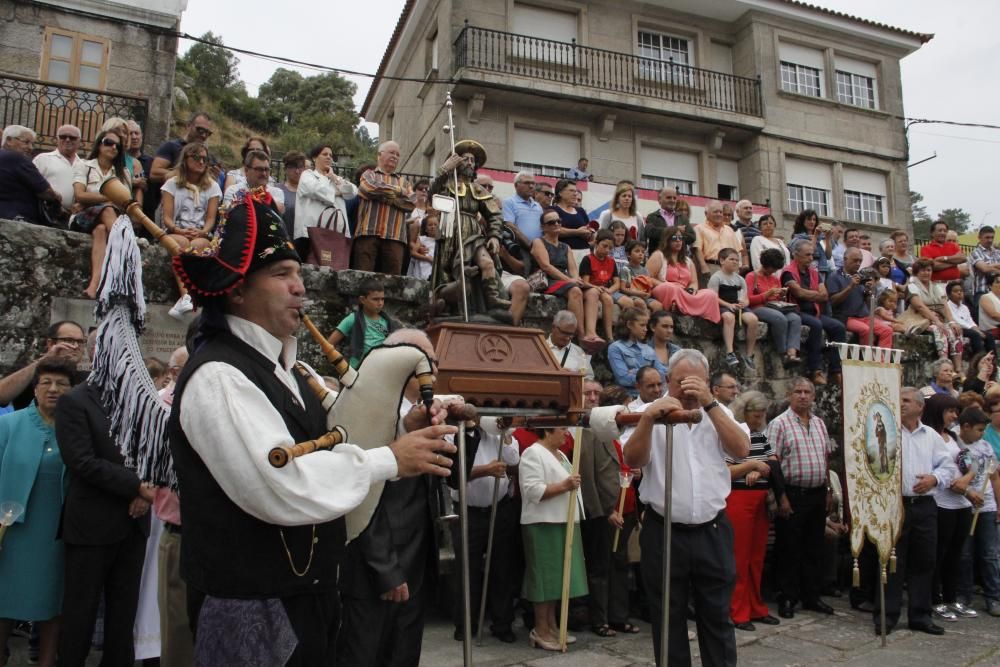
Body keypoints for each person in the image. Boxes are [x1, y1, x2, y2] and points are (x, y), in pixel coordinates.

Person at [167, 190, 459, 665]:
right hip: (252, 607)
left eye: (299, 273)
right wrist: (391, 459)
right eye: (282, 275)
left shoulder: (286, 369)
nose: (300, 287)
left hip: (308, 593)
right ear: (237, 290)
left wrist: (404, 425)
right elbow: (278, 483)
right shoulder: (219, 376)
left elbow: (333, 439)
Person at [339, 328, 477, 665]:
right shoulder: (367, 409)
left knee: (404, 652)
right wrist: (385, 569)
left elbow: (455, 475)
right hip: (377, 566)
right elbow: (363, 495)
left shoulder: (426, 410)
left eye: (435, 361)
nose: (435, 368)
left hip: (417, 557)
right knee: (367, 652)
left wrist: (466, 428)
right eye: (428, 360)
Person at [622, 349, 750, 667]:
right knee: (668, 617)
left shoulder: (718, 411)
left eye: (696, 382)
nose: (688, 390)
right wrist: (651, 418)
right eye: (681, 382)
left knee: (718, 616)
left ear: (707, 383)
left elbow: (741, 450)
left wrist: (709, 403)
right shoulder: (648, 412)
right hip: (664, 530)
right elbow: (632, 460)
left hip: (712, 529)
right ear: (668, 381)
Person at [55, 331, 153, 666]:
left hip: (134, 523)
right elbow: (81, 461)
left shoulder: (140, 401)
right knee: (80, 613)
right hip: (91, 526)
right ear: (96, 354)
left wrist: (147, 490)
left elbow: (153, 451)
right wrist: (135, 486)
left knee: (124, 615)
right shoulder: (75, 401)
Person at [0, 359, 76, 667]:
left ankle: (47, 662)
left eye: (62, 384)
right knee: (4, 601)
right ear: (34, 388)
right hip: (12, 532)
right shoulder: (8, 425)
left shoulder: (76, 428)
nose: (53, 389)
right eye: (46, 383)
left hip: (56, 532)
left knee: (52, 604)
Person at [874, 388, 959, 635]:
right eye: (899, 400)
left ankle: (920, 615)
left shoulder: (931, 436)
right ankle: (887, 615)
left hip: (924, 506)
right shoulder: (887, 431)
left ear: (920, 407)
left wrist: (934, 479)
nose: (901, 404)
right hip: (895, 505)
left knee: (924, 561)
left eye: (906, 400)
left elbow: (948, 467)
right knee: (892, 561)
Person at [767, 377, 836, 620]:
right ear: (789, 394)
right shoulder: (779, 424)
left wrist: (828, 489)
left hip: (816, 493)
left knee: (813, 546)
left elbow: (825, 458)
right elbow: (773, 462)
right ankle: (787, 596)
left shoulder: (819, 423)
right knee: (789, 547)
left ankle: (811, 595)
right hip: (792, 493)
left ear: (814, 397)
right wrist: (781, 497)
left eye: (808, 392)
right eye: (798, 391)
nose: (803, 396)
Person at [448, 414, 520, 643]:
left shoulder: (496, 432)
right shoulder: (454, 433)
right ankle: (466, 624)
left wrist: (505, 434)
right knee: (467, 570)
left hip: (499, 510)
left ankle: (502, 623)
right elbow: (453, 474)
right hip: (468, 512)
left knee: (503, 568)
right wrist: (485, 470)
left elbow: (514, 460)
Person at [518, 424, 587, 652]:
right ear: (547, 431)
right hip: (543, 522)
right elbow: (532, 490)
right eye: (561, 430)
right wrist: (565, 485)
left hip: (563, 521)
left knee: (558, 578)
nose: (566, 434)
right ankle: (540, 629)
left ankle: (553, 625)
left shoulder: (559, 455)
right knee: (545, 578)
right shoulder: (532, 453)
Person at [430, 141, 511, 315]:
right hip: (450, 231)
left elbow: (495, 214)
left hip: (473, 234)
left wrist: (495, 236)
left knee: (487, 262)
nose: (469, 163)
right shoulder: (446, 184)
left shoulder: (479, 189)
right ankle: (449, 306)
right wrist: (444, 169)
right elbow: (432, 195)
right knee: (450, 272)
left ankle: (492, 298)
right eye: (465, 159)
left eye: (472, 160)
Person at [726, 390, 784, 631]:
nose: (760, 417)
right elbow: (725, 469)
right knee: (739, 557)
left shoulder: (760, 435)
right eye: (755, 413)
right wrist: (751, 466)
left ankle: (756, 606)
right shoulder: (733, 434)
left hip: (761, 500)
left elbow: (773, 461)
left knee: (756, 557)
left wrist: (760, 469)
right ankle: (737, 611)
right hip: (738, 498)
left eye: (762, 413)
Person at [928, 397, 979, 623]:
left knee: (956, 554)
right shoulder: (930, 437)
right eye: (950, 411)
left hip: (961, 505)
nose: (954, 416)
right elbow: (939, 472)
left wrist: (967, 480)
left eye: (955, 411)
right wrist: (964, 489)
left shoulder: (954, 437)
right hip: (943, 503)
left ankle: (952, 597)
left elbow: (969, 464)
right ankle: (935, 598)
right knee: (940, 553)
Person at [160, 141, 222, 319]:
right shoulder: (172, 183)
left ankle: (190, 297)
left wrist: (203, 232)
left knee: (198, 245)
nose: (201, 162)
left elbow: (211, 219)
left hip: (200, 232)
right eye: (196, 157)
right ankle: (186, 295)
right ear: (185, 159)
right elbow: (167, 217)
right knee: (179, 243)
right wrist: (177, 230)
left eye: (204, 159)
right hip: (176, 230)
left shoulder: (212, 186)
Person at [71, 128, 133, 300]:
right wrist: (109, 197)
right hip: (83, 217)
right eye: (108, 142)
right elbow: (80, 194)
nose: (113, 147)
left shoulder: (123, 173)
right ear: (99, 145)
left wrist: (93, 199)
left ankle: (94, 284)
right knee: (107, 209)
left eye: (117, 146)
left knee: (100, 230)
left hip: (104, 219)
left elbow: (125, 202)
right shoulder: (84, 166)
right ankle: (125, 245)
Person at [953, 407, 1000, 617]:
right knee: (964, 553)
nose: (982, 434)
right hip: (964, 505)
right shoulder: (954, 442)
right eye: (979, 429)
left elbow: (994, 476)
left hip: (986, 505)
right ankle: (963, 594)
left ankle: (994, 597)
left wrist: (999, 505)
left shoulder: (986, 446)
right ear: (966, 427)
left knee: (990, 554)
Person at [782, 238, 846, 385]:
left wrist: (810, 293)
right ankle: (815, 370)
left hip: (814, 310)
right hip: (797, 310)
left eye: (812, 255)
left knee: (838, 327)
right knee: (816, 326)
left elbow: (824, 295)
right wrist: (814, 293)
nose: (811, 258)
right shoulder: (788, 272)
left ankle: (836, 370)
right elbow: (798, 294)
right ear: (796, 255)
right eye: (807, 255)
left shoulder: (814, 272)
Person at [532, 208, 592, 345]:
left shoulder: (566, 247)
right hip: (546, 280)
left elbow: (573, 270)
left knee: (592, 291)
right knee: (575, 290)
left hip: (563, 281)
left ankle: (590, 333)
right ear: (543, 227)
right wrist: (570, 281)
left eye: (559, 221)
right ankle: (581, 336)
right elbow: (546, 266)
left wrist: (575, 279)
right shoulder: (538, 242)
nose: (557, 224)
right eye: (551, 222)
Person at [353, 141, 415, 274]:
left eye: (398, 154)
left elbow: (411, 203)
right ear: (379, 155)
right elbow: (368, 188)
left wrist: (381, 195)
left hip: (395, 237)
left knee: (392, 282)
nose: (395, 156)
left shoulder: (405, 181)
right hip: (367, 233)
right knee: (363, 277)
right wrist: (399, 191)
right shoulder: (368, 174)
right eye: (391, 152)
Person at [0, 320, 86, 410]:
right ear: (51, 344)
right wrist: (44, 360)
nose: (76, 346)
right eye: (69, 340)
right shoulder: (28, 373)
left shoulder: (88, 379)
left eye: (80, 342)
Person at [293, 144, 358, 260]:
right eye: (324, 154)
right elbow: (315, 189)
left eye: (331, 155)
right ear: (314, 158)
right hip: (309, 235)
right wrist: (338, 192)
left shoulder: (335, 179)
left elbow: (352, 191)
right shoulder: (308, 175)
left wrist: (334, 178)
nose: (329, 157)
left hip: (335, 235)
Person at [147, 112, 214, 221]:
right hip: (171, 207)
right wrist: (184, 172)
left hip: (197, 213)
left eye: (208, 132)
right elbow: (154, 172)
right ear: (188, 126)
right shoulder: (171, 147)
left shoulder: (206, 155)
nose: (204, 135)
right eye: (200, 130)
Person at [645, 231, 721, 324]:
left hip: (684, 292)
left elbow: (694, 282)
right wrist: (666, 284)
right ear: (667, 240)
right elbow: (647, 277)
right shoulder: (659, 255)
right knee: (670, 288)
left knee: (710, 294)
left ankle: (706, 321)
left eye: (680, 238)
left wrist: (691, 289)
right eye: (674, 238)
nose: (678, 241)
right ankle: (674, 311)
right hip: (666, 288)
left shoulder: (688, 260)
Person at [826, 248, 894, 348]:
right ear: (845, 259)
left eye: (860, 261)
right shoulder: (834, 277)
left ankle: (881, 361)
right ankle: (866, 360)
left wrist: (868, 291)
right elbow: (833, 301)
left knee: (887, 330)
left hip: (864, 316)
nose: (858, 263)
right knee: (865, 330)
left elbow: (868, 304)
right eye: (855, 260)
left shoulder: (862, 276)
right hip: (846, 317)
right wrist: (850, 287)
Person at [746, 248, 802, 366]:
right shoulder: (752, 276)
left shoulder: (775, 279)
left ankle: (792, 353)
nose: (774, 271)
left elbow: (777, 299)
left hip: (775, 306)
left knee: (795, 318)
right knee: (779, 318)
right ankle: (783, 354)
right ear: (766, 265)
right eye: (773, 268)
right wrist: (766, 294)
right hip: (758, 307)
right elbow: (748, 299)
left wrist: (782, 295)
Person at [328, 277, 398, 368]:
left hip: (381, 369)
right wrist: (342, 366)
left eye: (382, 299)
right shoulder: (353, 319)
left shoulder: (387, 321)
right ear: (362, 300)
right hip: (357, 370)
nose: (380, 303)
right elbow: (329, 344)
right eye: (375, 299)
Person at [708, 248, 760, 370]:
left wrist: (743, 303)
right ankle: (730, 352)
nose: (735, 262)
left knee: (753, 320)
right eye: (731, 259)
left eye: (737, 260)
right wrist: (728, 305)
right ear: (722, 260)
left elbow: (746, 298)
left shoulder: (740, 279)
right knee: (729, 317)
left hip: (737, 306)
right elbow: (713, 297)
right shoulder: (717, 277)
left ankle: (749, 354)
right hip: (722, 306)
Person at [907, 258, 964, 371]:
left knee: (956, 330)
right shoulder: (912, 286)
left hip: (938, 317)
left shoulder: (937, 287)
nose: (926, 273)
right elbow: (920, 307)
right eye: (922, 270)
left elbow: (944, 306)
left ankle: (958, 369)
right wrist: (936, 321)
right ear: (916, 272)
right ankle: (944, 365)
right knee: (940, 330)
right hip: (920, 318)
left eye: (928, 270)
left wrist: (951, 321)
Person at [580, 229, 636, 342]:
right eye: (604, 246)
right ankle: (608, 336)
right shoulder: (588, 259)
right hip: (592, 289)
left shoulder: (611, 261)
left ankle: (618, 335)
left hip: (606, 289)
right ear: (596, 243)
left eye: (610, 248)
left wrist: (610, 290)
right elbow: (584, 282)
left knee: (621, 301)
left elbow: (617, 283)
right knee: (606, 298)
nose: (607, 250)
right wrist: (596, 287)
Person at [607, 308, 666, 397]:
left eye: (646, 326)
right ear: (629, 324)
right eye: (642, 325)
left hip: (653, 397)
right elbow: (624, 379)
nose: (646, 329)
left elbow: (663, 373)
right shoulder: (616, 348)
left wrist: (635, 371)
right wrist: (652, 374)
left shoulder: (648, 349)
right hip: (630, 398)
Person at [33, 123, 81, 215]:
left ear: (79, 141)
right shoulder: (42, 159)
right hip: (46, 213)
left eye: (72, 137)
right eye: (63, 136)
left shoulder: (84, 164)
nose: (67, 140)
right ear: (57, 139)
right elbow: (32, 185)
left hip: (74, 216)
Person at [694, 200, 744, 284]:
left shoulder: (729, 230)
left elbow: (736, 251)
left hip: (730, 269)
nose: (719, 214)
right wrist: (703, 266)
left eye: (721, 212)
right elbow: (696, 249)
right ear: (706, 213)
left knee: (731, 296)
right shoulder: (699, 228)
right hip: (711, 267)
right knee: (711, 296)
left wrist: (737, 268)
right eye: (715, 212)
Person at [948, 281, 996, 356]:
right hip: (958, 329)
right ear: (949, 294)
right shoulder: (948, 306)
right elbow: (957, 320)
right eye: (955, 291)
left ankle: (994, 360)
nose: (959, 293)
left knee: (989, 335)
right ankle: (980, 358)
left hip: (969, 328)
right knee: (975, 334)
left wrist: (976, 328)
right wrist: (975, 330)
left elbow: (969, 320)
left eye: (961, 291)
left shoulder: (964, 307)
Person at [546, 310, 595, 380]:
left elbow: (588, 378)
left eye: (571, 334)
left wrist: (573, 377)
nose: (567, 338)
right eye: (564, 333)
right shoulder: (540, 348)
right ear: (554, 327)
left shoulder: (579, 352)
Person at [619, 240, 663, 312]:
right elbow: (623, 289)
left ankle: (653, 323)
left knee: (658, 305)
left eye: (642, 252)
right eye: (637, 251)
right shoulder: (625, 269)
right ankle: (643, 321)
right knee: (640, 303)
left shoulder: (645, 270)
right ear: (628, 254)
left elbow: (649, 286)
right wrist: (638, 293)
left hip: (644, 295)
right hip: (632, 296)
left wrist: (648, 293)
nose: (640, 254)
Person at [790, 209, 835, 279]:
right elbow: (810, 251)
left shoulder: (821, 237)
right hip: (807, 270)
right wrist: (816, 235)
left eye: (814, 220)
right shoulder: (798, 238)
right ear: (802, 221)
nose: (812, 222)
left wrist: (827, 237)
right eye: (809, 219)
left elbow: (828, 256)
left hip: (822, 271)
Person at [551, 179, 593, 253]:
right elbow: (554, 230)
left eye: (575, 191)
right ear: (560, 193)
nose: (575, 194)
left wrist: (589, 233)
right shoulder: (553, 210)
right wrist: (577, 232)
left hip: (584, 252)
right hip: (562, 254)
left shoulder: (580, 211)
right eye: (571, 191)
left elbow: (589, 234)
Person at [502, 171, 544, 241]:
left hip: (538, 248)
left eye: (533, 183)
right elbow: (510, 226)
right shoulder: (509, 202)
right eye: (527, 183)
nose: (531, 186)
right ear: (516, 185)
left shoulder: (538, 205)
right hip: (520, 248)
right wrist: (528, 245)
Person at [276, 151, 305, 238]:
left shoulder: (310, 191)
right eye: (292, 167)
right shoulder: (278, 190)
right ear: (285, 169)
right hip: (285, 241)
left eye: (300, 167)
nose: (297, 171)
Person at [407, 212, 438, 281]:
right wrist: (427, 258)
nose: (433, 227)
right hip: (421, 270)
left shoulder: (440, 241)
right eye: (430, 225)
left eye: (435, 225)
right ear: (426, 229)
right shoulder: (422, 239)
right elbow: (413, 253)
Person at [979, 273, 1000, 337]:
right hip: (991, 330)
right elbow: (994, 315)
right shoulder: (985, 297)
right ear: (990, 286)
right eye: (998, 282)